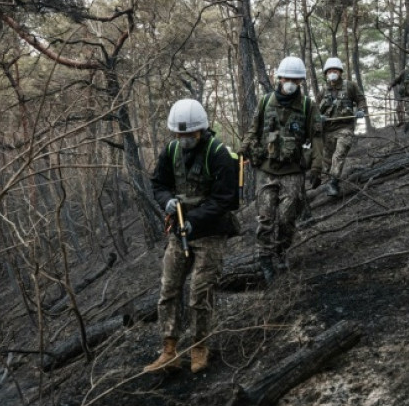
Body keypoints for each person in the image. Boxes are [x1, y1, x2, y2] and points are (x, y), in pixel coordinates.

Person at [144, 99, 239, 373]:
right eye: (179, 134)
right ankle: (169, 351)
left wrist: (195, 220)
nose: (184, 140)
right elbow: (158, 184)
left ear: (201, 130)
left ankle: (200, 346)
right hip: (179, 231)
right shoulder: (171, 151)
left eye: (189, 135)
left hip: (210, 233)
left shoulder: (218, 154)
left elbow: (226, 199)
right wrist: (166, 202)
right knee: (168, 290)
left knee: (200, 293)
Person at [240, 56, 321, 283]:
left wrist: (317, 166)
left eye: (296, 79)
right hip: (266, 170)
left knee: (287, 219)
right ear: (280, 78)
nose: (291, 82)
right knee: (265, 218)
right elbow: (253, 130)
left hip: (293, 171)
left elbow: (316, 137)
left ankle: (281, 250)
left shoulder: (307, 106)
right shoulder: (266, 102)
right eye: (288, 78)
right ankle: (265, 259)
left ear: (301, 81)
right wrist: (245, 146)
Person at [312, 57, 367, 197]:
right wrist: (319, 117)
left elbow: (361, 99)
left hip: (345, 128)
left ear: (340, 72)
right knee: (326, 159)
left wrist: (361, 110)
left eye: (335, 70)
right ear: (325, 74)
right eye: (329, 71)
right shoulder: (323, 91)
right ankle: (322, 181)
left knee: (340, 154)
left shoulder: (350, 86)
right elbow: (315, 109)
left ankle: (333, 182)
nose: (332, 73)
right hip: (328, 130)